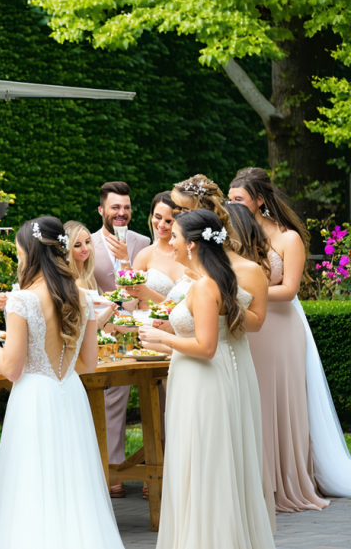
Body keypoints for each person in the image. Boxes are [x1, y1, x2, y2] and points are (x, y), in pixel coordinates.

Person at [0, 216, 124, 549]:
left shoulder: (22, 300)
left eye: (20, 252)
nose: (18, 258)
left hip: (34, 396)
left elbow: (11, 368)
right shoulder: (83, 297)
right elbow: (88, 364)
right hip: (70, 393)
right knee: (74, 484)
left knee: (32, 484)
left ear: (31, 252)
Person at [138, 210, 274, 549]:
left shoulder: (203, 286)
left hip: (201, 380)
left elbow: (206, 346)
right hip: (201, 379)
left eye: (177, 237)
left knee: (203, 464)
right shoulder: (216, 278)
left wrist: (162, 341)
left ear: (194, 244)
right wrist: (172, 327)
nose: (171, 242)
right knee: (206, 462)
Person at [230, 167, 341, 508]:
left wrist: (239, 295)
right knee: (251, 399)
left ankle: (284, 483)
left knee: (279, 399)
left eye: (238, 199)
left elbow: (290, 289)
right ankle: (253, 481)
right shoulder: (233, 236)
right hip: (249, 327)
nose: (231, 204)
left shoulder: (287, 237)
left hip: (280, 328)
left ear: (259, 200)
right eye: (229, 199)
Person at [89, 181, 150, 498]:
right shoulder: (87, 242)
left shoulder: (144, 242)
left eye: (126, 207)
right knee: (113, 397)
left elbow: (145, 291)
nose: (121, 213)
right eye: (115, 207)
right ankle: (113, 470)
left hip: (141, 327)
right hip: (106, 331)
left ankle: (153, 470)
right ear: (102, 210)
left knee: (156, 396)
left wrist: (127, 259)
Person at [225, 202, 278, 532]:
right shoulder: (207, 265)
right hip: (211, 353)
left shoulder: (251, 269)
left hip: (236, 350)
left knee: (240, 429)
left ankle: (244, 513)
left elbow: (256, 322)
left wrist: (221, 304)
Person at [127, 192, 186, 307]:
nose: (161, 224)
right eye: (157, 217)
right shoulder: (145, 255)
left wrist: (148, 293)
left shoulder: (191, 255)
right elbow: (130, 298)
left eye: (168, 221)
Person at [63, 220, 117, 329]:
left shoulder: (90, 276)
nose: (86, 248)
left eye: (87, 242)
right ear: (66, 248)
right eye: (77, 245)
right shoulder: (68, 281)